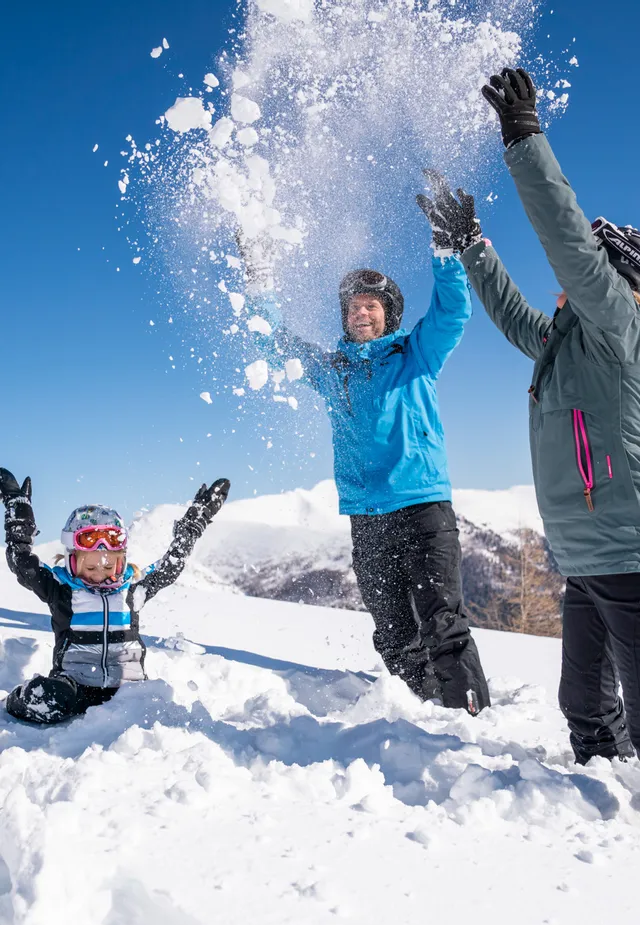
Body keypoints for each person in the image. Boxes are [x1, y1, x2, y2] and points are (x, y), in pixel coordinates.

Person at [418, 66, 640, 763]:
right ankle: (601, 797)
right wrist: (471, 245)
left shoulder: (618, 329)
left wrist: (523, 138)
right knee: (586, 711)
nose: (566, 284)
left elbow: (570, 242)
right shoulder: (567, 345)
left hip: (632, 558)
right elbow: (515, 315)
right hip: (585, 561)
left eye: (591, 273)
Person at [237, 222, 490, 715]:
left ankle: (469, 722)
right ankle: (422, 714)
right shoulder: (333, 371)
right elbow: (274, 344)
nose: (361, 312)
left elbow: (452, 312)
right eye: (353, 306)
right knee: (393, 632)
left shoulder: (416, 354)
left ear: (389, 313)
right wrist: (259, 282)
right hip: (367, 516)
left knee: (442, 624)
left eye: (372, 305)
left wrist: (446, 252)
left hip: (422, 507)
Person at [0, 468, 230, 724]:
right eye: (90, 568)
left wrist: (195, 522)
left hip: (128, 691)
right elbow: (22, 561)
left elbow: (170, 566)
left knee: (160, 703)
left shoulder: (132, 589)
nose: (100, 574)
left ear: (122, 562)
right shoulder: (60, 589)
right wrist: (18, 511)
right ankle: (15, 700)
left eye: (109, 566)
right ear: (71, 560)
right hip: (74, 688)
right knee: (48, 696)